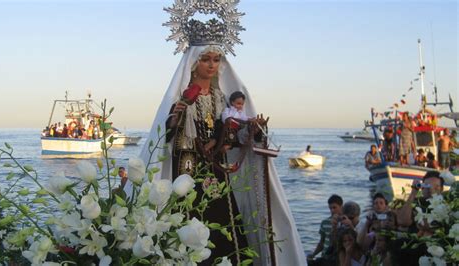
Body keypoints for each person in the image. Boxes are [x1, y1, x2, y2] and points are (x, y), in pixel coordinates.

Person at [124, 6, 305, 263]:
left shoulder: (223, 98)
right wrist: (175, 119)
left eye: (216, 59)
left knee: (224, 221)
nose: (211, 64)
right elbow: (163, 137)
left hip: (216, 170)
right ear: (194, 63)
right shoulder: (180, 97)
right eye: (206, 59)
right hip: (186, 167)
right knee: (187, 220)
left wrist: (250, 131)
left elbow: (231, 132)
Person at [393, 171, 444, 266]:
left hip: (436, 248)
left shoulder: (445, 206)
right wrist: (413, 193)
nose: (431, 190)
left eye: (436, 186)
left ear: (441, 189)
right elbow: (402, 221)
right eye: (427, 186)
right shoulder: (415, 203)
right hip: (414, 248)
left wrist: (427, 227)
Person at [308, 194, 343, 266]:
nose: (332, 210)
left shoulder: (344, 222)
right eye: (330, 208)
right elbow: (322, 242)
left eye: (334, 207)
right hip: (325, 256)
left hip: (337, 258)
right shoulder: (325, 222)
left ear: (341, 206)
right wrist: (314, 254)